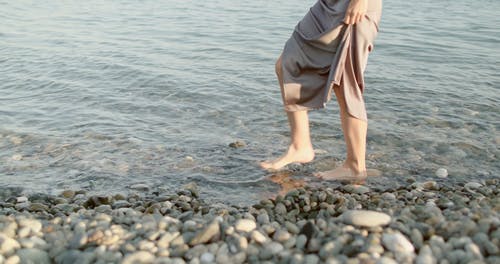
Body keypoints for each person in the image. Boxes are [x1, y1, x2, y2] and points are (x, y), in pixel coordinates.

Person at [260, 0, 382, 183]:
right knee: (287, 63)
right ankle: (300, 146)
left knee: (345, 82)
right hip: (328, 5)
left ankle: (355, 166)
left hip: (353, 4)